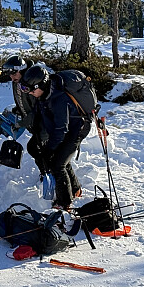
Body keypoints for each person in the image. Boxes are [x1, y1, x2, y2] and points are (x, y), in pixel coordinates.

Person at [20, 66, 91, 210]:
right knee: (61, 159)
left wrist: (50, 148)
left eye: (33, 90)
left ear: (42, 85)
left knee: (58, 164)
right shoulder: (44, 95)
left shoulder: (59, 99)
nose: (32, 93)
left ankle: (64, 202)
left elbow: (61, 128)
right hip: (64, 130)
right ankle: (76, 189)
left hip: (76, 129)